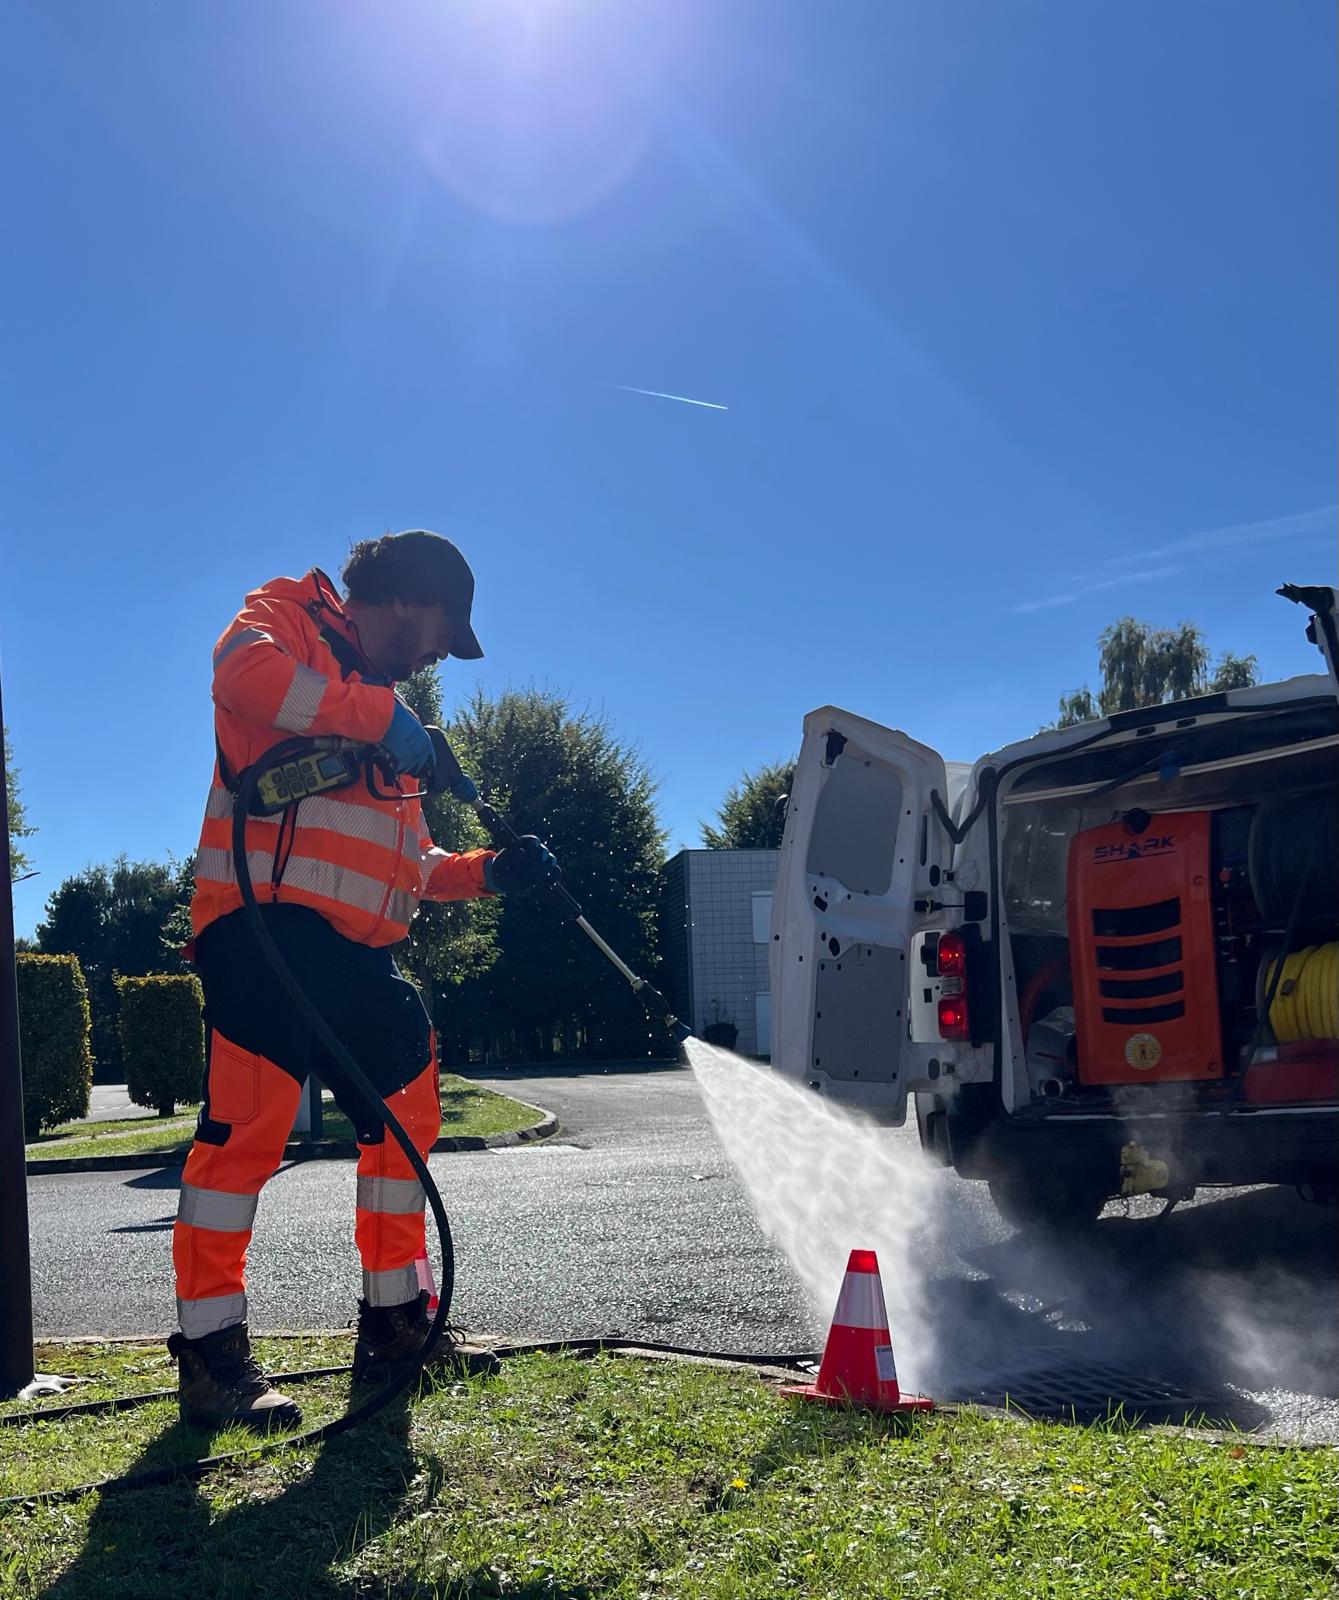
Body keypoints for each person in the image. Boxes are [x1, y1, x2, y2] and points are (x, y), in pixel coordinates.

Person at [168, 530, 556, 1429]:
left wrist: (492, 872)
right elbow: (240, 677)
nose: (437, 656)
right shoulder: (286, 616)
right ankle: (211, 1358)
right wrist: (378, 719)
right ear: (409, 599)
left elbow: (411, 865)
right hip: (260, 929)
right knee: (245, 1138)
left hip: (355, 954)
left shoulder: (384, 714)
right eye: (443, 633)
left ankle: (394, 1322)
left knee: (407, 1114)